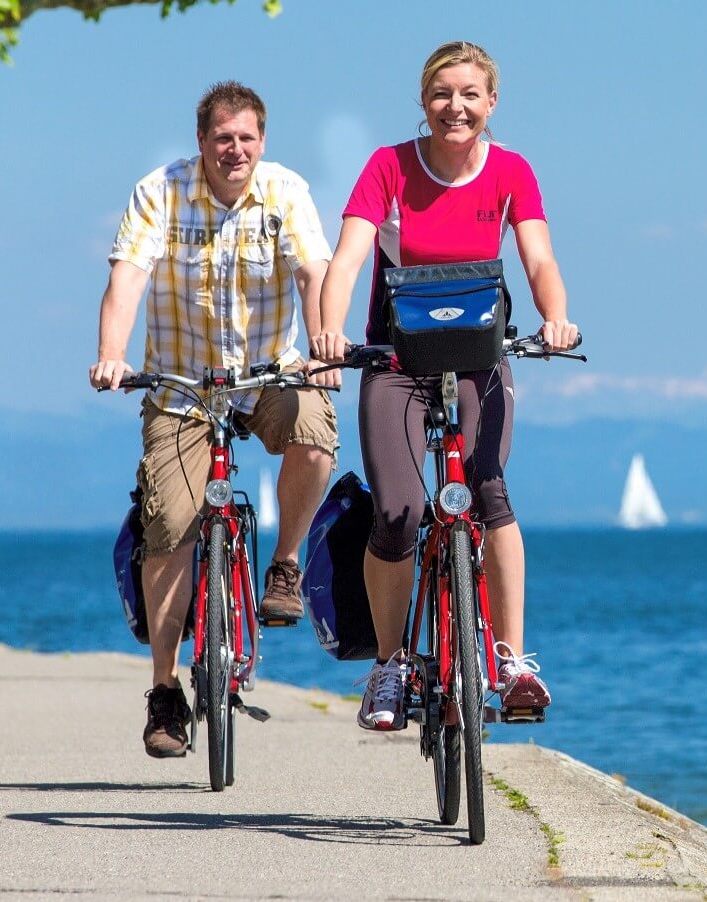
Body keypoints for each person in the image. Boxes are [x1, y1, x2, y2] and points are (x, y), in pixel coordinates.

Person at [312, 41, 577, 731]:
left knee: (488, 492)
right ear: (423, 102)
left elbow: (539, 255)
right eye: (440, 94)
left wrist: (556, 319)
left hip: (479, 362)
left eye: (469, 95)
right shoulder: (389, 168)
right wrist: (328, 333)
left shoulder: (511, 170)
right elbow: (347, 258)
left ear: (491, 104)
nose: (454, 107)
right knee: (398, 512)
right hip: (396, 364)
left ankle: (512, 660)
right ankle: (393, 665)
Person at [90, 81, 337, 758]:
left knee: (316, 433)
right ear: (201, 141)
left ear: (263, 141)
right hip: (181, 388)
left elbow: (315, 273)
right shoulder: (159, 192)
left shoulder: (286, 191)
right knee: (169, 523)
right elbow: (127, 279)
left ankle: (284, 565)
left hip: (267, 377)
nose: (236, 150)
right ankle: (166, 690)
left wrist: (322, 344)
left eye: (247, 138)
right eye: (223, 138)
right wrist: (112, 355)